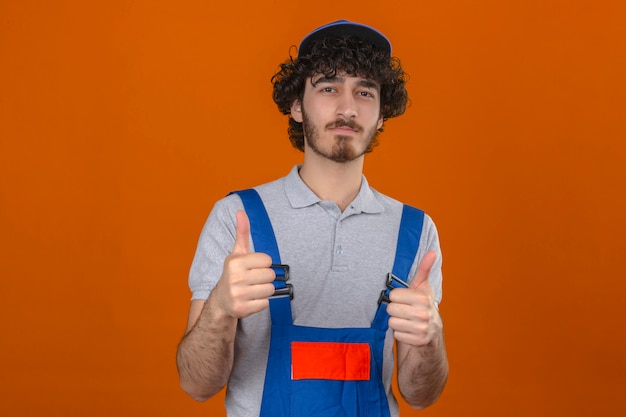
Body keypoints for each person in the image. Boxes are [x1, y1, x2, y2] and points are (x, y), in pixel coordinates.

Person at [176, 20, 448, 417]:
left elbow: (421, 395)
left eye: (365, 91)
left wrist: (431, 339)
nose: (348, 107)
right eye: (328, 87)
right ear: (297, 106)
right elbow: (196, 386)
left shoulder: (416, 231)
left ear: (382, 115)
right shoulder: (237, 218)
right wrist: (219, 307)